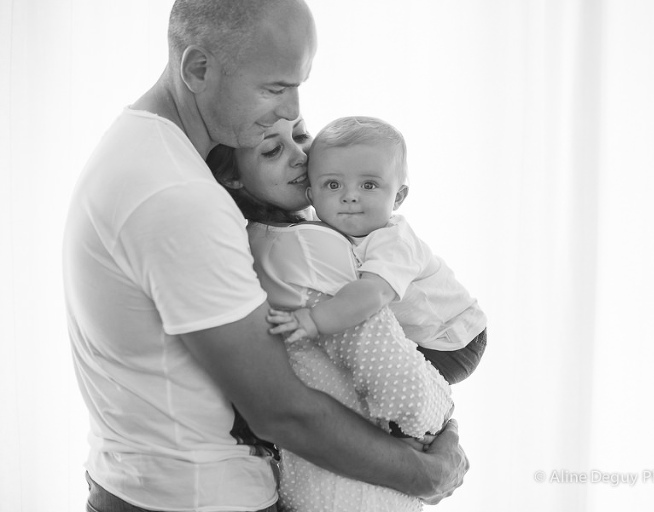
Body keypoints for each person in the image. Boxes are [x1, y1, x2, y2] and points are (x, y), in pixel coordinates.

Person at [62, 2, 467, 511]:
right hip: (196, 500)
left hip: (139, 485)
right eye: (276, 88)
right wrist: (426, 473)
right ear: (198, 69)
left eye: (299, 85)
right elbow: (280, 410)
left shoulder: (143, 146)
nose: (293, 110)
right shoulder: (179, 195)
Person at [208, 116, 454, 511]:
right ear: (233, 177)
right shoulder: (304, 246)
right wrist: (441, 432)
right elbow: (387, 364)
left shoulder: (281, 229)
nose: (301, 156)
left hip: (449, 336)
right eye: (272, 150)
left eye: (301, 134)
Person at [268, 116, 487, 387]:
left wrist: (315, 320)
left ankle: (428, 422)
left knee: (387, 386)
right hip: (423, 331)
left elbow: (373, 293)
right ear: (312, 195)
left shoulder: (393, 242)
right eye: (333, 185)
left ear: (398, 197)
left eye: (368, 185)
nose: (350, 196)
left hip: (452, 338)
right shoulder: (318, 226)